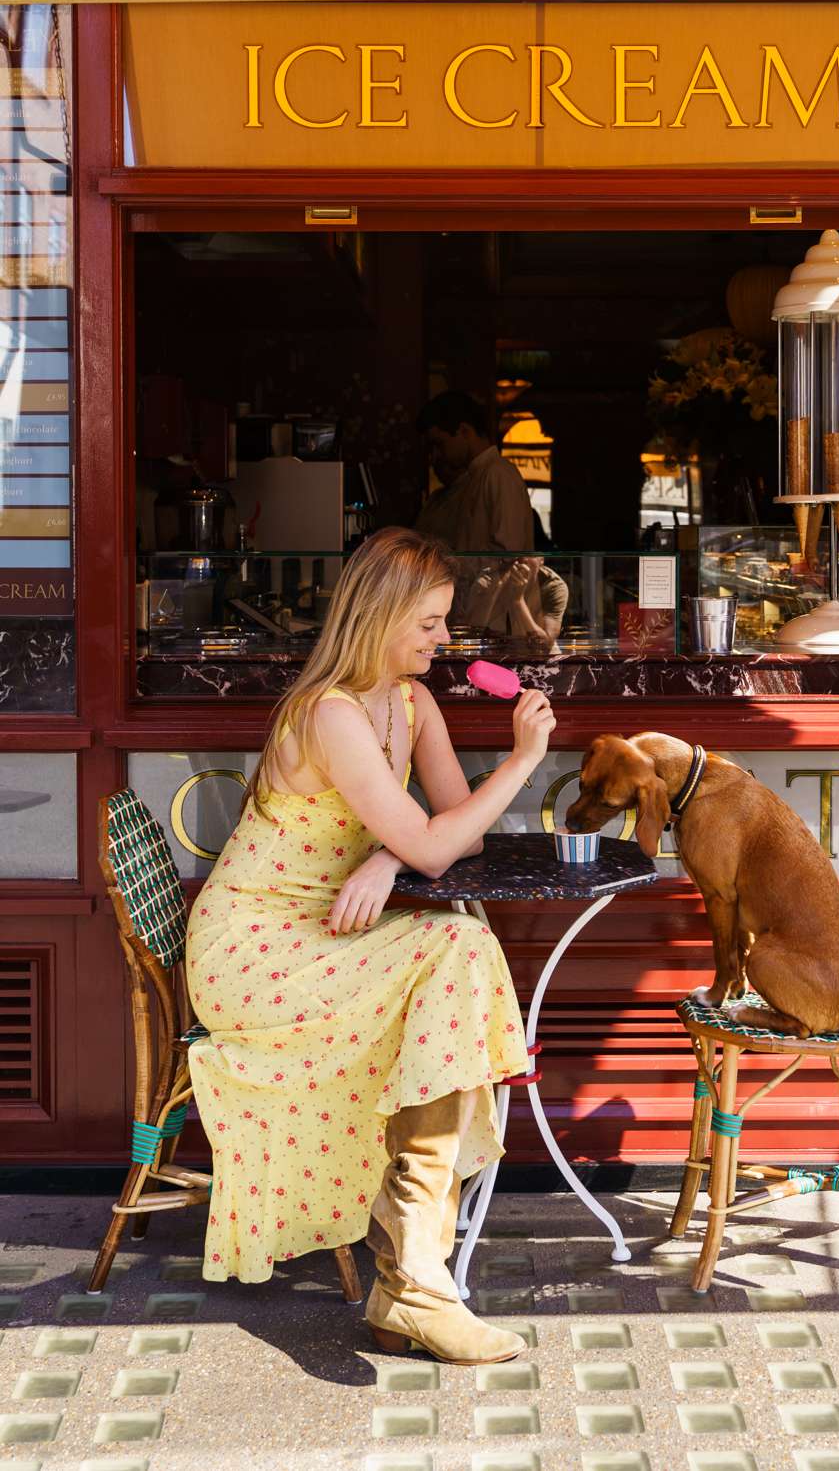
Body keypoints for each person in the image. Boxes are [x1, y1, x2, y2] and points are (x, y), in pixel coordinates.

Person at [185, 527, 556, 1366]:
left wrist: (392, 852)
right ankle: (416, 1283)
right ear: (379, 616)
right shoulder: (331, 714)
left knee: (455, 958)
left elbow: (449, 840)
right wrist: (524, 759)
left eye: (444, 622)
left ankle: (413, 1280)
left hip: (332, 937)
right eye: (427, 623)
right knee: (455, 952)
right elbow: (441, 844)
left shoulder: (413, 702)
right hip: (255, 946)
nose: (443, 639)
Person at [414, 391, 533, 553]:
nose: (436, 455)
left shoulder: (498, 473)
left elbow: (508, 553)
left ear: (464, 431)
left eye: (440, 444)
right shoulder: (474, 478)